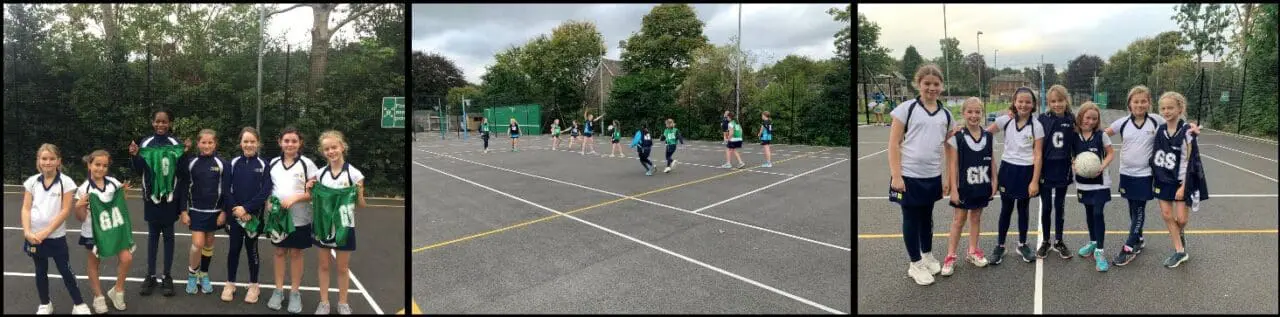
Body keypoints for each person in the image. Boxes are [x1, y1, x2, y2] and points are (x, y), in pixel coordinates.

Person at [1103, 85, 1201, 266]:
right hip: (1126, 173)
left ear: (1149, 103)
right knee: (1133, 209)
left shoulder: (1156, 120)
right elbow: (1102, 135)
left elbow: (1178, 121)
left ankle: (1130, 245)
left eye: (1143, 101)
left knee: (1139, 209)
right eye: (1135, 102)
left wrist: (1191, 126)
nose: (1139, 105)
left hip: (1147, 175)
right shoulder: (1122, 123)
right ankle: (1139, 239)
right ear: (1129, 104)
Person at [888, 64, 952, 285]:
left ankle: (927, 254)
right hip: (909, 174)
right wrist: (897, 176)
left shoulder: (946, 114)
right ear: (918, 84)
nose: (931, 88)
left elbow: (949, 145)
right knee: (911, 218)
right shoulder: (906, 108)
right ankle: (914, 264)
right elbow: (894, 144)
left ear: (942, 86)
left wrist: (947, 178)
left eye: (936, 84)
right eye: (927, 84)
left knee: (927, 217)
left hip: (932, 175)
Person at [23, 144, 91, 314]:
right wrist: (27, 231)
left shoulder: (65, 182)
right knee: (40, 270)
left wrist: (46, 232)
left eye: (52, 159)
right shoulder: (31, 182)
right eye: (44, 158)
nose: (48, 162)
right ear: (38, 161)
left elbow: (65, 210)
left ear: (58, 161)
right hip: (34, 236)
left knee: (65, 270)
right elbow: (26, 209)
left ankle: (79, 304)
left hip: (55, 237)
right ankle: (45, 304)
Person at [309, 130, 367, 314]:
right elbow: (315, 200)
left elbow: (362, 205)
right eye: (326, 149)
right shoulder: (319, 175)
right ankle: (324, 302)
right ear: (323, 152)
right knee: (324, 265)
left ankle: (343, 302)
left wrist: (358, 193)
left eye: (334, 147)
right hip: (323, 225)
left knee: (343, 267)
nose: (331, 151)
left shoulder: (354, 174)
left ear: (342, 147)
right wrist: (309, 188)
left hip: (344, 225)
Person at [985, 87, 1044, 265]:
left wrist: (1034, 181)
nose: (1024, 105)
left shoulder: (1037, 125)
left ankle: (1022, 244)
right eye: (1020, 101)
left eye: (1027, 102)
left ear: (1033, 104)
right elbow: (985, 134)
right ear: (1014, 102)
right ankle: (1000, 245)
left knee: (1023, 209)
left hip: (1026, 171)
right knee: (1006, 209)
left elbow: (1038, 155)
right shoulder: (1005, 120)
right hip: (1008, 169)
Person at [128, 109, 183, 297]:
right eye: (157, 121)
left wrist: (186, 153)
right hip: (151, 198)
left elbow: (181, 171)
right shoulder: (145, 143)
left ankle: (167, 276)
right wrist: (135, 156)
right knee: (152, 237)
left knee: (169, 237)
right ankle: (150, 275)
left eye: (164, 122)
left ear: (170, 123)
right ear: (153, 123)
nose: (161, 125)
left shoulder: (176, 144)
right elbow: (139, 170)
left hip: (168, 199)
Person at [265, 127, 319, 314]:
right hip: (278, 219)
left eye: (294, 141)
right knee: (279, 252)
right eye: (286, 140)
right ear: (280, 142)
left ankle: (295, 292)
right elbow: (267, 189)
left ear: (300, 143)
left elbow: (314, 193)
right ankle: (278, 290)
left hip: (300, 218)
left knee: (296, 254)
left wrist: (295, 198)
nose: (290, 144)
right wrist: (268, 202)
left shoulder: (308, 164)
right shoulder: (272, 163)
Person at [74, 150, 135, 313]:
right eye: (97, 165)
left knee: (127, 258)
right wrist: (78, 206)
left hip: (114, 229)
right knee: (94, 263)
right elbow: (80, 217)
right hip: (93, 232)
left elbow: (119, 204)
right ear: (89, 165)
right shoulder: (84, 189)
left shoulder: (113, 182)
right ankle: (98, 296)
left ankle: (118, 290)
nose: (100, 168)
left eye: (104, 165)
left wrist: (123, 193)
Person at [940, 97, 994, 276]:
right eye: (969, 112)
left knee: (976, 218)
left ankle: (972, 251)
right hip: (964, 187)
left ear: (982, 113)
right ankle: (950, 256)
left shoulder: (988, 136)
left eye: (977, 112)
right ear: (963, 114)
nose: (974, 115)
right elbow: (953, 165)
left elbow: (992, 160)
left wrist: (995, 179)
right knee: (958, 220)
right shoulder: (958, 137)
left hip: (981, 185)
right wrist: (954, 188)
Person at [177, 129, 231, 295]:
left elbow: (227, 190)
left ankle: (204, 274)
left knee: (208, 244)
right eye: (203, 142)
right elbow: (183, 187)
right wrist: (183, 211)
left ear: (215, 144)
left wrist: (224, 212)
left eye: (210, 142)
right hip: (196, 211)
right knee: (197, 245)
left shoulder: (223, 164)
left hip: (215, 212)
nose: (207, 145)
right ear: (198, 143)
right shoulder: (191, 163)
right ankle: (193, 274)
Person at [223, 127, 272, 302]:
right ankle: (230, 283)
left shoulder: (264, 165)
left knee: (252, 251)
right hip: (235, 216)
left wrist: (248, 209)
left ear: (258, 143)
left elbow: (265, 191)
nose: (249, 144)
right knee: (234, 249)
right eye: (246, 141)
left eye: (252, 141)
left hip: (253, 217)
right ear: (241, 143)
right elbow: (227, 190)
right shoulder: (233, 163)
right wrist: (237, 209)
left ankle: (254, 285)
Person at [1151, 91, 1197, 268]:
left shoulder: (1187, 132)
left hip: (1181, 181)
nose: (1166, 111)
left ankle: (1179, 232)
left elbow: (1192, 162)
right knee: (1167, 215)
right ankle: (1179, 251)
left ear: (1180, 109)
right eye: (1163, 108)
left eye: (1170, 107)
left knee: (1182, 219)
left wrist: (1184, 186)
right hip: (1163, 179)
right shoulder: (1159, 129)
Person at [1070, 102, 1115, 272]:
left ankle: (1100, 251)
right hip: (1083, 181)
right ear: (1081, 116)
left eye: (1094, 119)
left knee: (1097, 212)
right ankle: (1093, 242)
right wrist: (1073, 163)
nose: (1090, 121)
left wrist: (1102, 166)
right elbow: (1070, 155)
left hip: (1100, 181)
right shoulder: (1074, 136)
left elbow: (1110, 153)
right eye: (1088, 117)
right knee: (1089, 213)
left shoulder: (1101, 135)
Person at [1035, 85, 1076, 260]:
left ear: (1066, 101)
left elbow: (1078, 140)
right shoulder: (1041, 119)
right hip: (1046, 168)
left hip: (1063, 168)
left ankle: (1059, 240)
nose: (1057, 104)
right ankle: (1045, 241)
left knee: (1059, 206)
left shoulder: (1072, 119)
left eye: (1060, 100)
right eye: (1053, 101)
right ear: (1048, 102)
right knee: (1046, 207)